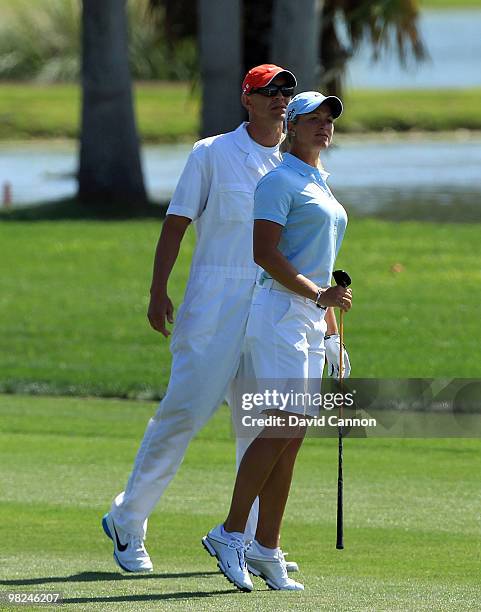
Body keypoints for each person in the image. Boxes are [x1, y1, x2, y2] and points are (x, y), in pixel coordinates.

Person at [101, 64, 302, 573]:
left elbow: (300, 246)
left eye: (286, 92)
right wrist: (157, 290)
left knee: (257, 426)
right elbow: (176, 223)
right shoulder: (211, 153)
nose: (281, 99)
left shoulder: (295, 162)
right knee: (184, 414)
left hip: (271, 311)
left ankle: (254, 541)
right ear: (247, 99)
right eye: (270, 92)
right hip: (214, 306)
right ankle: (127, 519)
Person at [203, 91, 353, 592]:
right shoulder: (278, 180)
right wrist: (319, 295)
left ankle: (267, 547)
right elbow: (264, 253)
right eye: (313, 119)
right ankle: (230, 533)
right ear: (291, 124)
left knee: (293, 435)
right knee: (281, 424)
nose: (324, 126)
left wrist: (330, 324)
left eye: (329, 119)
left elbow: (319, 256)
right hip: (278, 314)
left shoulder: (319, 182)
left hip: (310, 318)